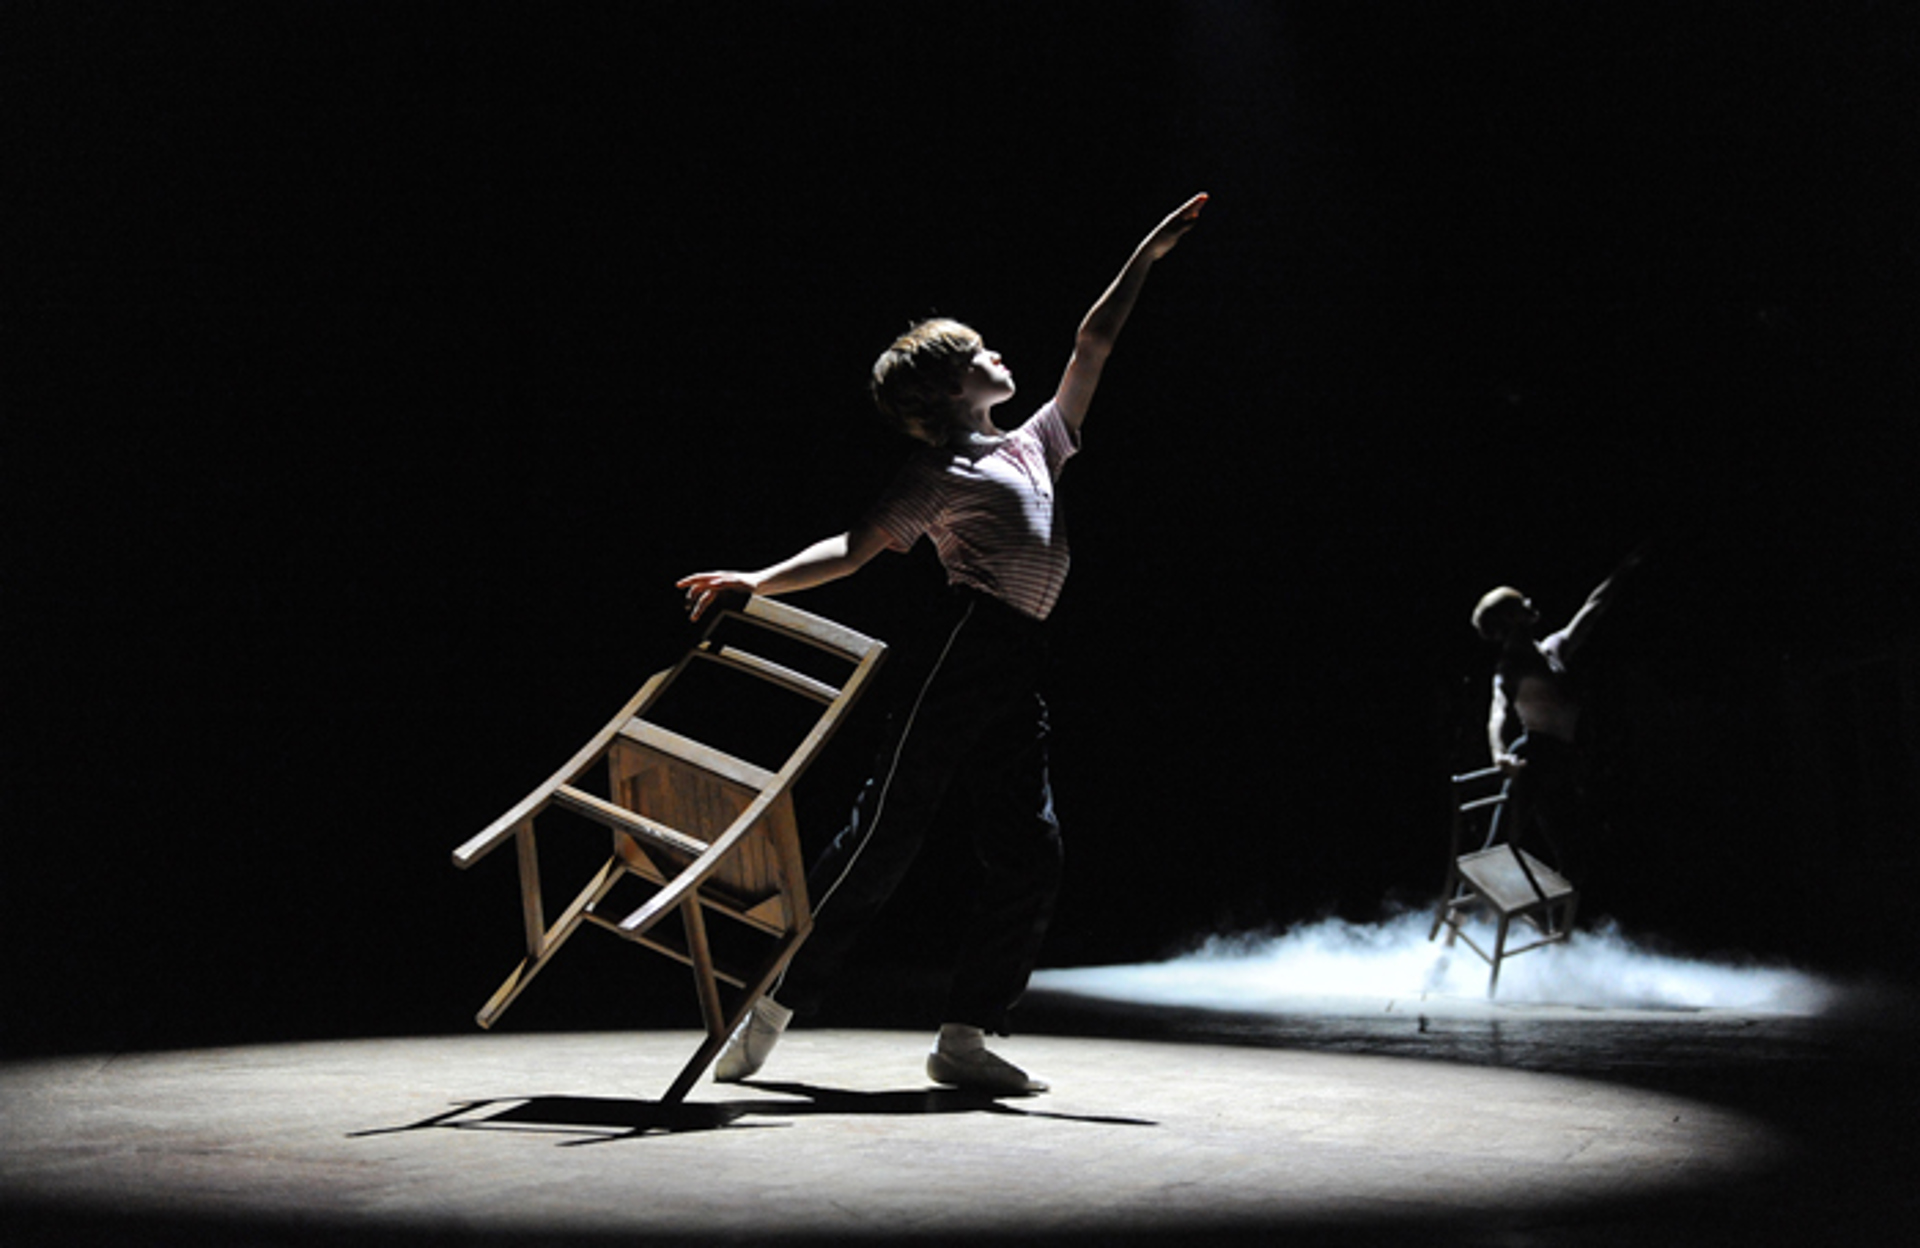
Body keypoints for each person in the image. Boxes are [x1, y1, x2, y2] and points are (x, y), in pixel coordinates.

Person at [678, 192, 1208, 1095]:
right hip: (963, 653)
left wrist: (1146, 259)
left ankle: (964, 1036)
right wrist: (756, 580)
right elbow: (852, 551)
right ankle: (770, 1006)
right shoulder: (938, 470)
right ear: (950, 388)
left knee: (1031, 851)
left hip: (1017, 662)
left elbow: (1093, 343)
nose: (999, 355)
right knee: (887, 836)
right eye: (978, 354)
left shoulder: (1038, 442)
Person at [1471, 550, 1640, 881]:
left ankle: (1559, 930)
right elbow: (1498, 712)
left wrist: (1623, 570)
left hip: (1560, 761)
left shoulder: (1554, 648)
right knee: (1500, 844)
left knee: (1573, 854)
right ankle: (1455, 925)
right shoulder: (1512, 666)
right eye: (1520, 603)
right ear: (1511, 619)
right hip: (1533, 758)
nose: (1529, 602)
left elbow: (1593, 608)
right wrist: (1498, 753)